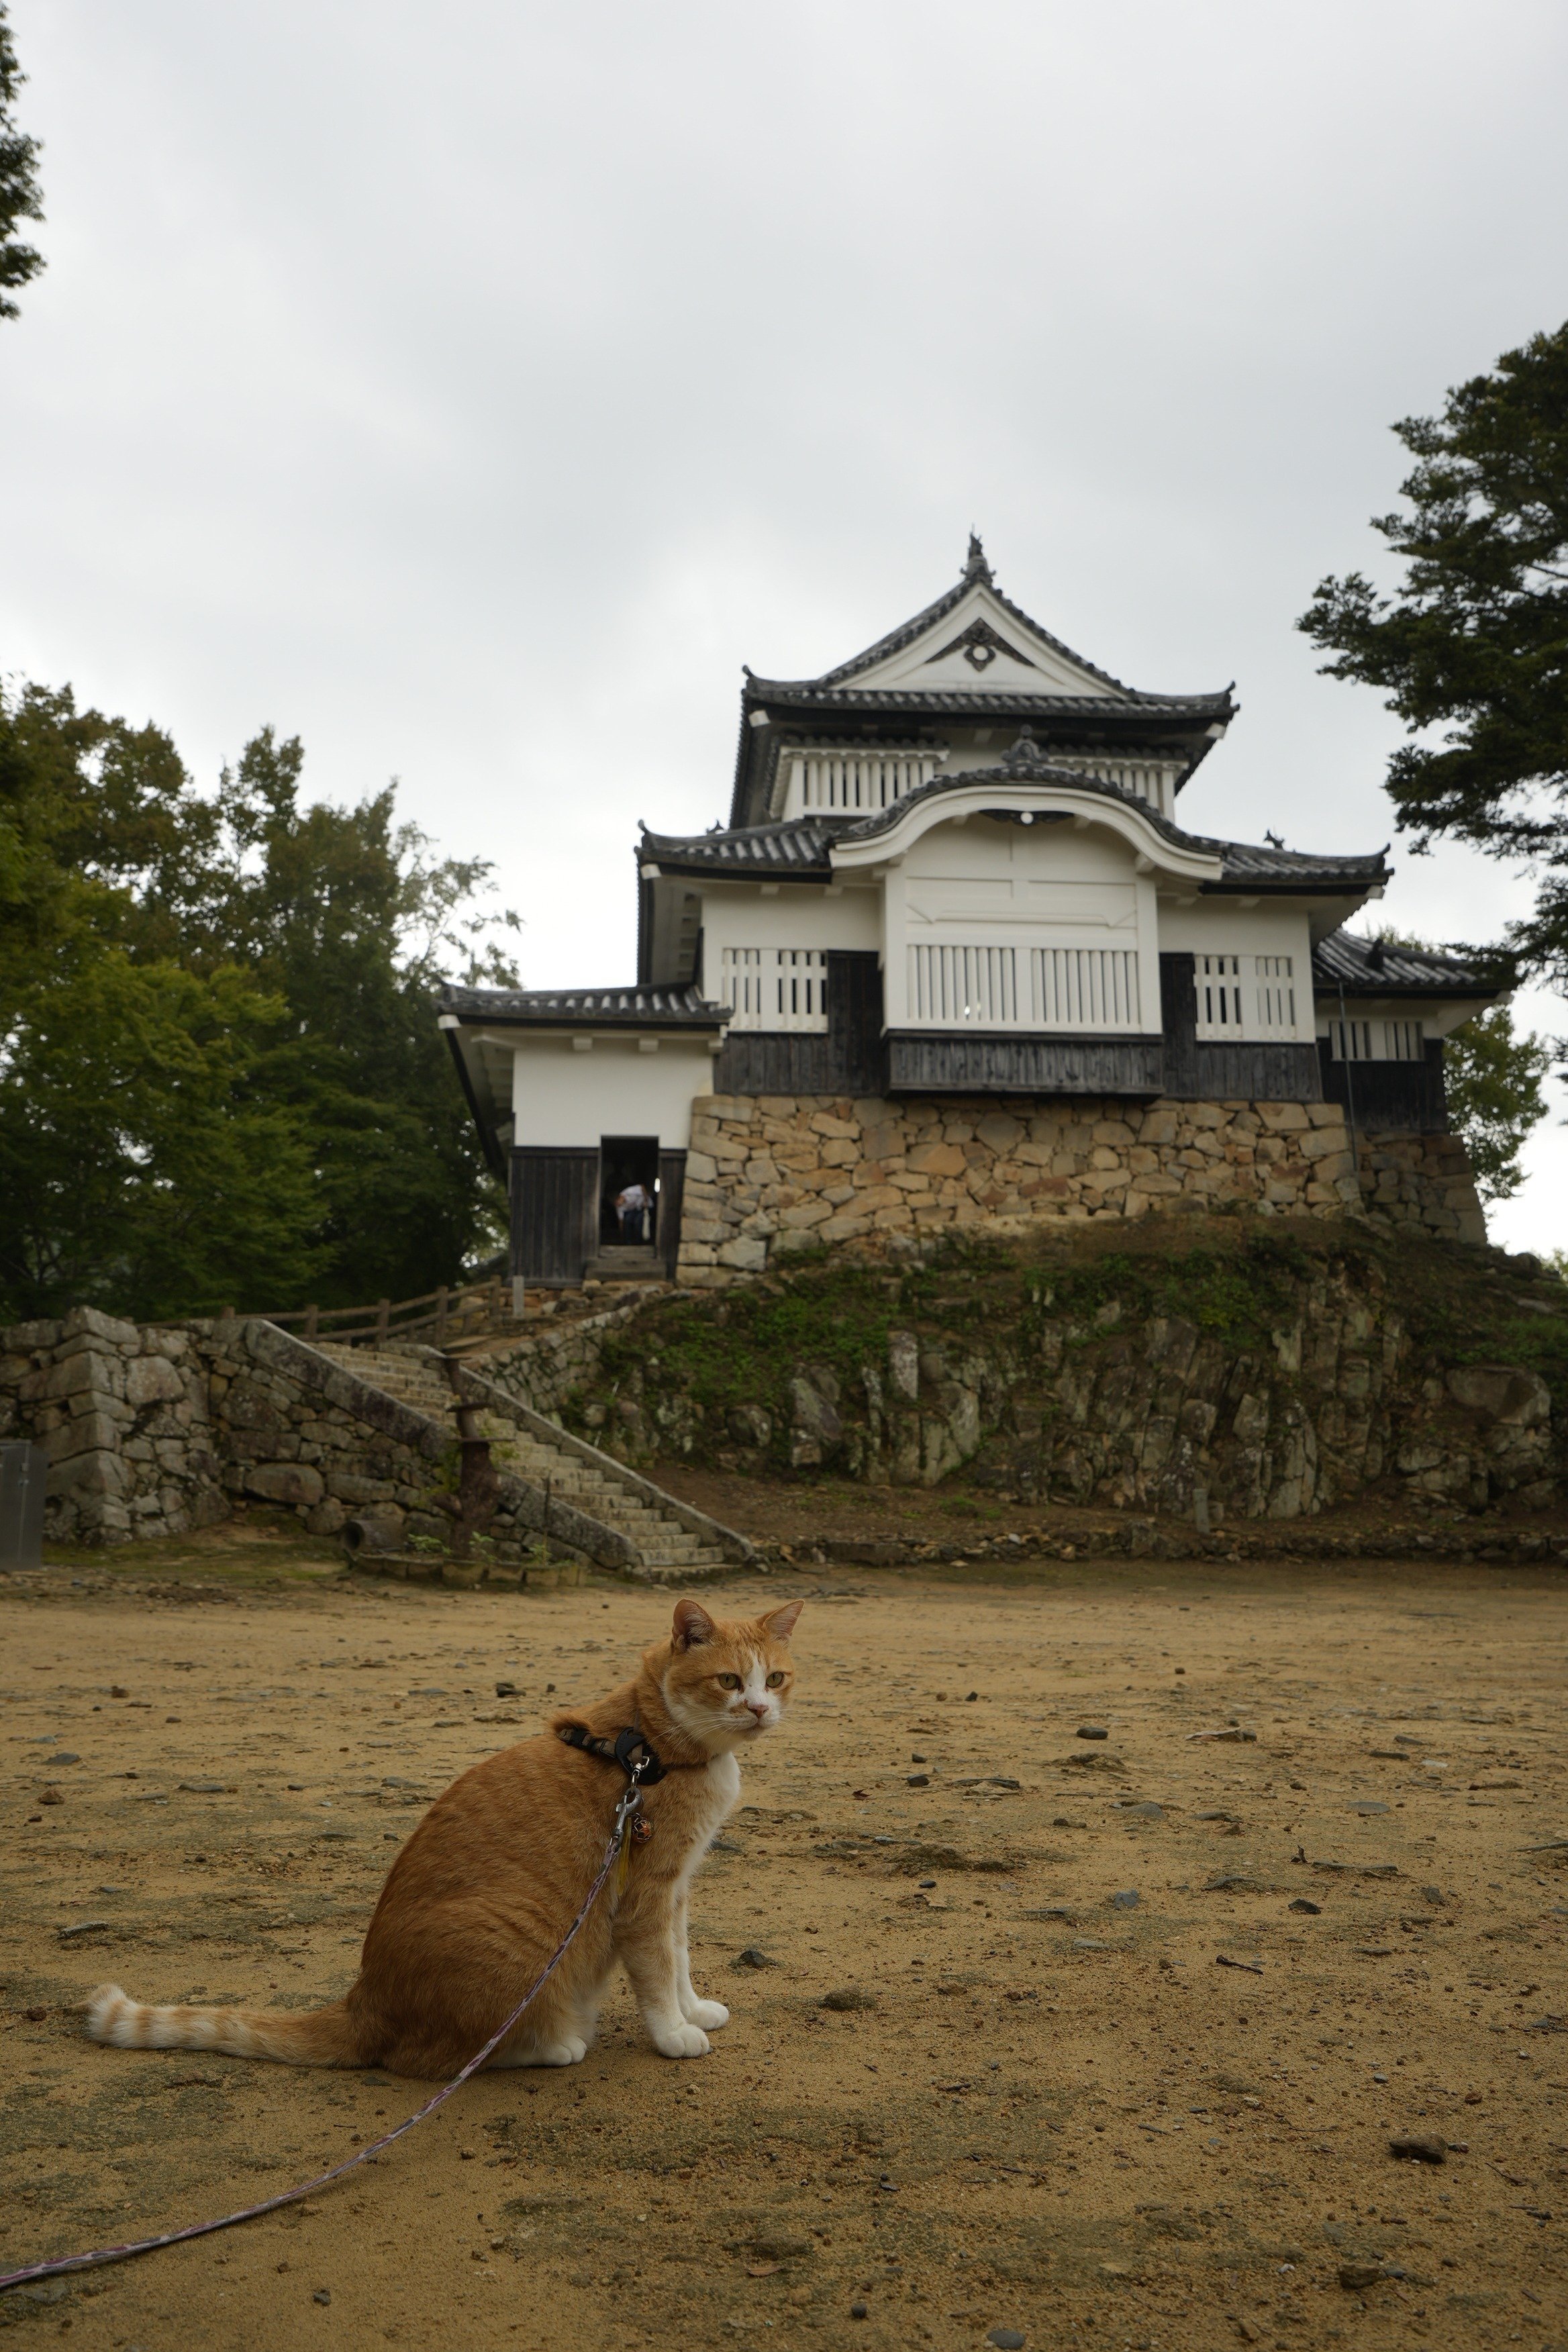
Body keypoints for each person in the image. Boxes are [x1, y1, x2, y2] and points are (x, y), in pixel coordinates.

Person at [615, 1180, 650, 1244]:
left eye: (619, 1201)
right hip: (634, 1210)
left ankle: (639, 1242)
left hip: (644, 1207)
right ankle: (628, 1242)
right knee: (627, 1220)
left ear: (619, 1198)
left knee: (638, 1222)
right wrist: (621, 1233)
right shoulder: (620, 1207)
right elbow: (621, 1220)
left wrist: (646, 1200)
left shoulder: (629, 1191)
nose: (619, 1204)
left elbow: (642, 1187)